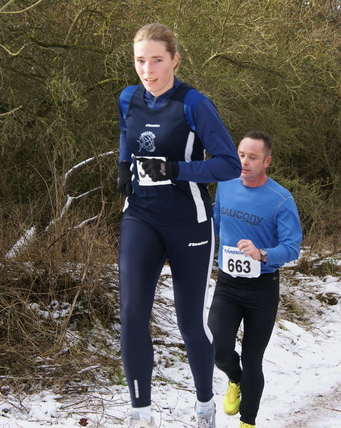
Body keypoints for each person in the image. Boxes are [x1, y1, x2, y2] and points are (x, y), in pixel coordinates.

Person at [116, 23, 241, 428]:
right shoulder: (128, 98)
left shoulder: (194, 104)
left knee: (189, 322)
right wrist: (123, 167)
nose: (147, 70)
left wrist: (175, 170)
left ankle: (205, 406)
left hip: (189, 222)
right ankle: (141, 415)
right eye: (140, 61)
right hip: (141, 215)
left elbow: (228, 164)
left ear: (174, 60)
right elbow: (125, 133)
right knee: (133, 312)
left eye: (156, 60)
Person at [208, 131, 302, 428]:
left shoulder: (281, 199)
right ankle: (235, 379)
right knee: (217, 347)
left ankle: (248, 422)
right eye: (241, 155)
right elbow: (215, 223)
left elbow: (292, 248)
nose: (244, 162)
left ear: (267, 161)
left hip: (262, 288)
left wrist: (262, 253)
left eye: (252, 157)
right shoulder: (225, 186)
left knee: (253, 360)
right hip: (228, 284)